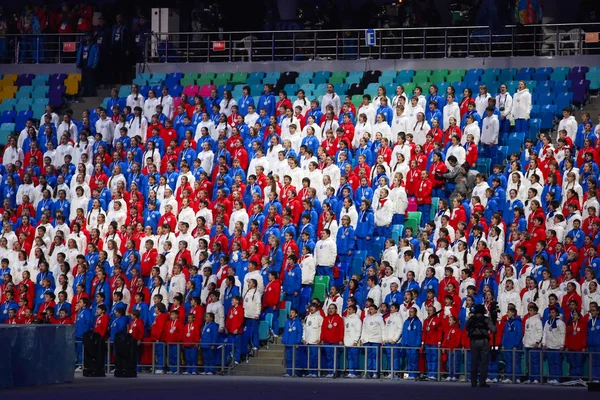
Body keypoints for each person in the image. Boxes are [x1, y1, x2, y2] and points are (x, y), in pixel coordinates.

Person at [466, 304, 497, 387]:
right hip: (483, 341)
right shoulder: (486, 319)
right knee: (484, 362)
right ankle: (482, 382)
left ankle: (473, 382)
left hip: (473, 342)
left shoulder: (471, 319)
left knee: (474, 362)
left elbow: (466, 328)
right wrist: (494, 321)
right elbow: (494, 330)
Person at [76, 32, 100, 97]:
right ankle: (84, 92)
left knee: (90, 80)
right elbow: (79, 54)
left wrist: (94, 64)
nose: (87, 38)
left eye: (88, 36)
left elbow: (96, 55)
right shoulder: (82, 45)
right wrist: (78, 63)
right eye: (86, 36)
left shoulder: (94, 45)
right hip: (83, 64)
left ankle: (91, 93)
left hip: (90, 65)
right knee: (84, 80)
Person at [282, 307, 304, 377]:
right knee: (288, 358)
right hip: (288, 343)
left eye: (292, 312)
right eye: (290, 312)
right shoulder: (287, 322)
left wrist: (298, 342)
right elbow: (285, 332)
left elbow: (300, 333)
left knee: (296, 359)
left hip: (295, 344)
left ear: (296, 314)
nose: (291, 314)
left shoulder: (298, 323)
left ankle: (296, 372)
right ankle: (289, 372)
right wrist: (284, 340)